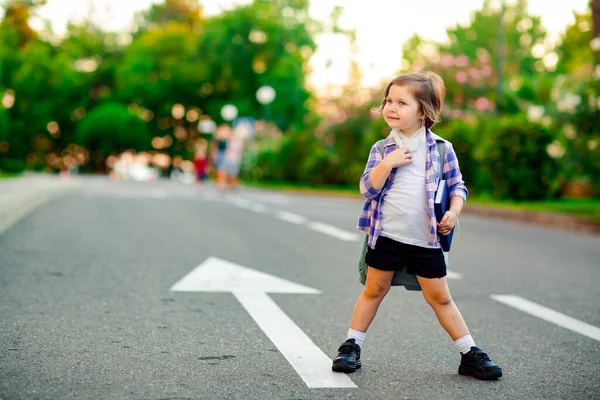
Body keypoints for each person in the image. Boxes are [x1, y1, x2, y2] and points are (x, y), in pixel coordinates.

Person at [331, 72, 502, 380]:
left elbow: (457, 186)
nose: (391, 107)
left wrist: (454, 211)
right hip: (386, 236)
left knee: (440, 297)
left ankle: (469, 354)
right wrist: (387, 164)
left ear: (423, 111)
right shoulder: (382, 149)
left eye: (401, 102)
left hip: (426, 240)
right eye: (388, 101)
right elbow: (367, 189)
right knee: (374, 290)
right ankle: (351, 346)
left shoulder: (440, 149)